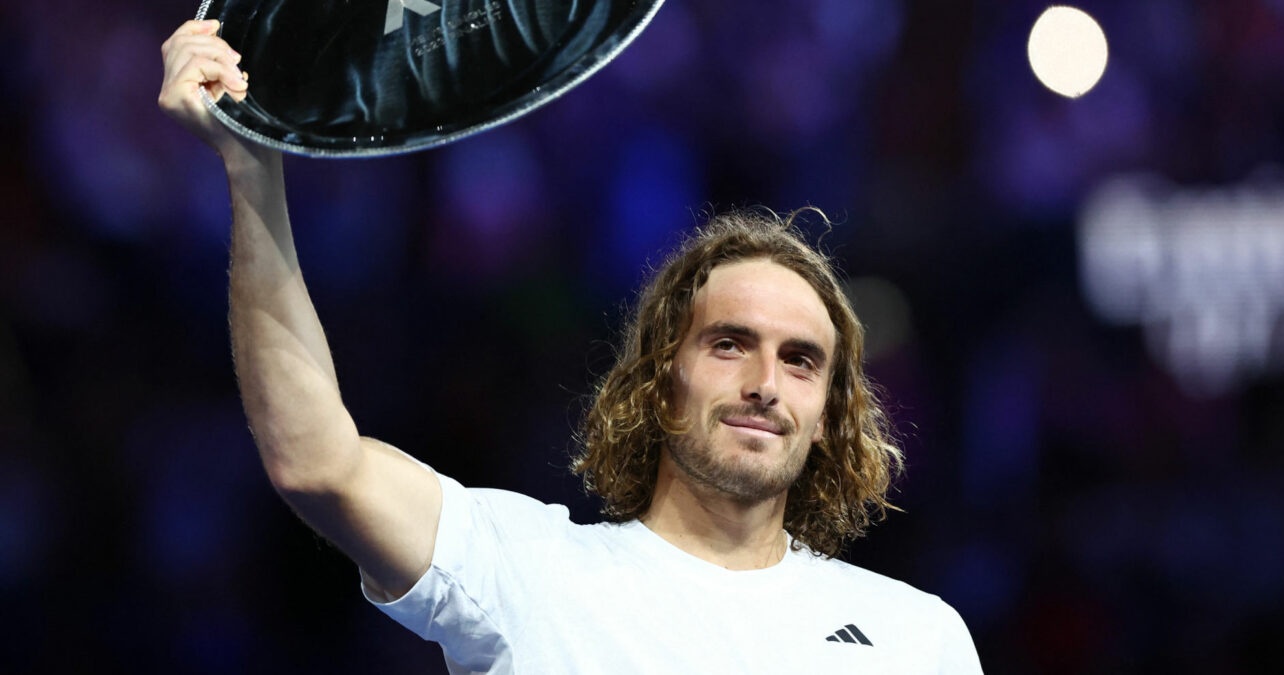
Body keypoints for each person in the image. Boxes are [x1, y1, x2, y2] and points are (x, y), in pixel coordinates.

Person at [159, 19, 983, 674]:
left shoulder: (918, 639)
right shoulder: (531, 572)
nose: (767, 381)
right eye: (730, 344)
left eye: (801, 359)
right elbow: (320, 464)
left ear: (829, 412)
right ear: (660, 384)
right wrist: (252, 167)